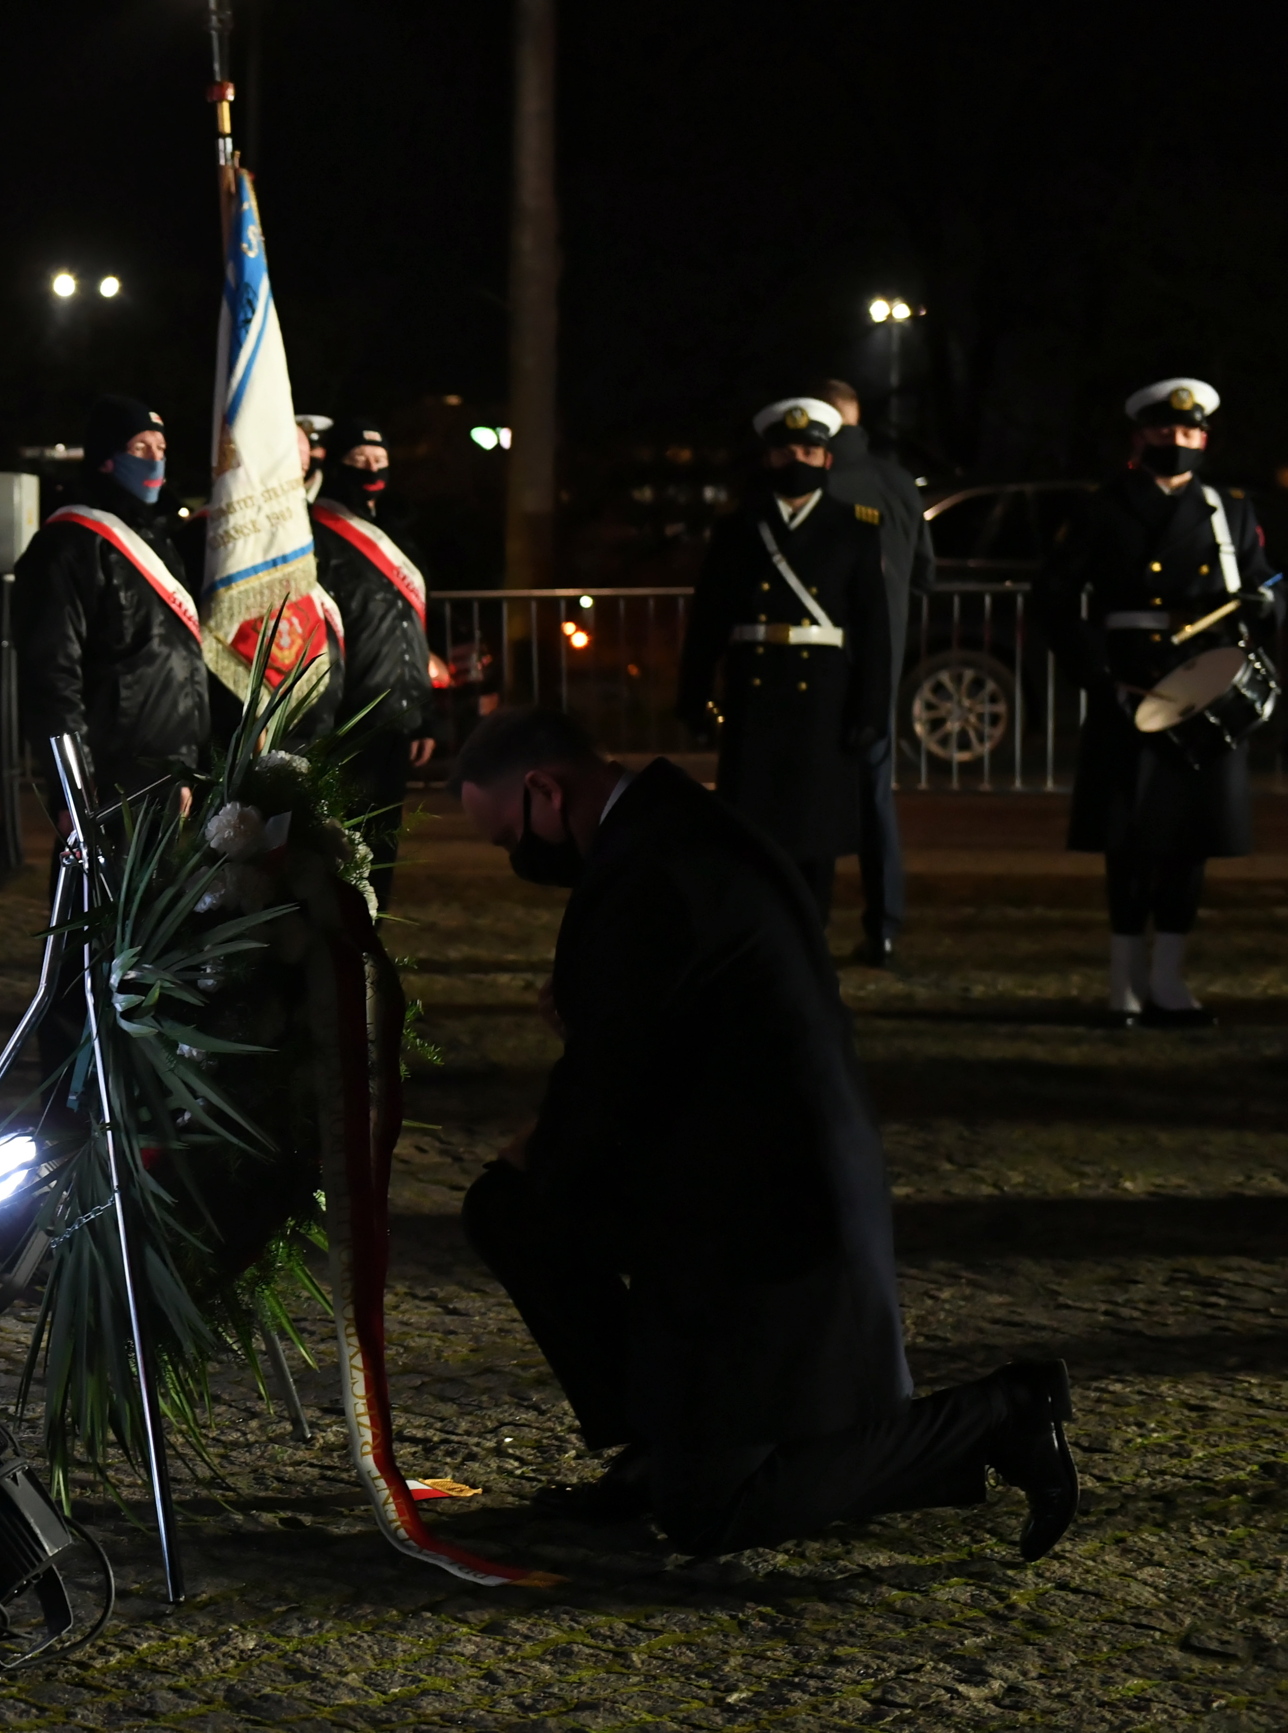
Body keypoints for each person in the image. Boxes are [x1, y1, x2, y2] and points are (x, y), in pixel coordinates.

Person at [447, 707, 1079, 1560]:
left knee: (715, 1511)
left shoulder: (653, 864)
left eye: (508, 838)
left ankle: (995, 1420)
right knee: (513, 1211)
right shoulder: (666, 833)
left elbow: (619, 1071)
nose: (519, 860)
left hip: (774, 1225)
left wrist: (541, 1149)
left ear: (544, 790)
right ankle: (662, 1442)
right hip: (737, 1185)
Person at [1035, 378, 1277, 1027]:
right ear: (1140, 436)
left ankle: (1169, 978)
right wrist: (1097, 675)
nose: (1179, 441)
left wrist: (1267, 605)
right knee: (1131, 838)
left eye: (1190, 432)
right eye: (1165, 432)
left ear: (1205, 437)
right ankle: (1125, 981)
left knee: (1190, 839)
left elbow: (1253, 587)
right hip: (1132, 686)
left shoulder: (1230, 510)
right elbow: (1054, 600)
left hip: (1206, 691)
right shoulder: (1103, 507)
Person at [678, 397, 891, 921]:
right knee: (750, 834)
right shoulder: (738, 528)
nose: (796, 460)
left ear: (826, 459)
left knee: (814, 837)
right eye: (785, 451)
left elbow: (873, 627)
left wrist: (871, 707)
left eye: (807, 450)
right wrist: (693, 694)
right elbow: (709, 619)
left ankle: (809, 945)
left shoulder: (856, 527)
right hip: (755, 696)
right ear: (767, 458)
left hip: (824, 700)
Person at [15, 393, 213, 804]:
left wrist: (192, 767)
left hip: (172, 776)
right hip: (110, 780)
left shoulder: (160, 542)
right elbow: (52, 675)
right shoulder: (67, 543)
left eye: (160, 449)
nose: (154, 460)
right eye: (139, 448)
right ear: (106, 457)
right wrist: (73, 789)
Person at [817, 380, 933, 969]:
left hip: (822, 660)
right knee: (875, 796)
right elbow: (926, 574)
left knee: (803, 795)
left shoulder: (819, 484)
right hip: (882, 660)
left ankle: (803, 921)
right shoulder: (897, 482)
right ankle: (883, 924)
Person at [308, 415, 438, 906]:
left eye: (380, 461)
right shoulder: (319, 534)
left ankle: (370, 951)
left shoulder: (400, 540)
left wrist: (422, 715)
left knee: (380, 849)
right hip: (346, 718)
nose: (371, 470)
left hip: (394, 720)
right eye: (359, 461)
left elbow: (412, 636)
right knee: (340, 848)